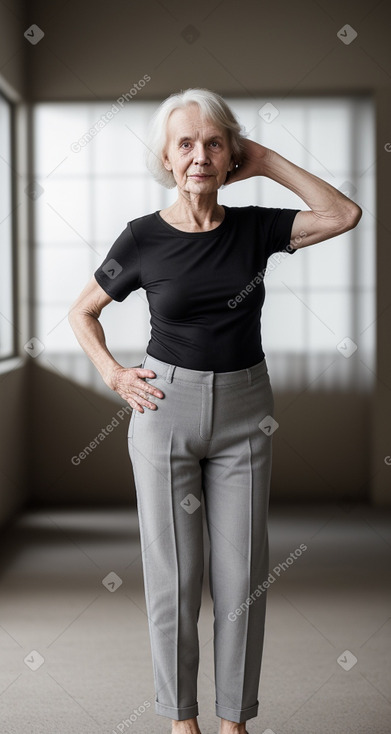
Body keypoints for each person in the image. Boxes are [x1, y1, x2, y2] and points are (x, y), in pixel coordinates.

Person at [68, 88, 361, 734]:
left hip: (244, 412)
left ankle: (234, 722)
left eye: (213, 142)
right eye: (185, 144)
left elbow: (343, 214)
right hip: (164, 409)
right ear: (167, 159)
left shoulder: (255, 228)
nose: (199, 155)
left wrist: (269, 160)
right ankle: (182, 721)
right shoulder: (142, 238)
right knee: (174, 582)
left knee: (242, 581)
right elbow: (81, 311)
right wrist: (116, 375)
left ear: (231, 153)